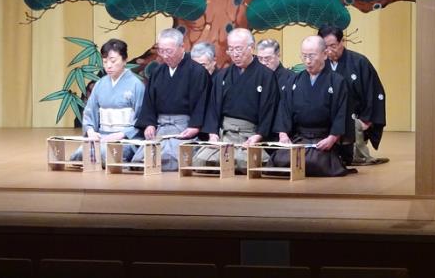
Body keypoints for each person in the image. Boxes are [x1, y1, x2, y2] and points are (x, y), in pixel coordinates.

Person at [196, 28, 280, 173]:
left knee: (246, 163)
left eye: (239, 49)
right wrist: (213, 134)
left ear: (251, 47)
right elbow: (213, 108)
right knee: (200, 161)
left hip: (249, 135)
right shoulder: (222, 76)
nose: (235, 54)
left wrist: (258, 136)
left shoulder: (266, 76)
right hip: (225, 134)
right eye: (231, 49)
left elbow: (269, 109)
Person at [268, 36, 351, 177]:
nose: (307, 61)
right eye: (304, 56)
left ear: (324, 54)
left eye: (312, 56)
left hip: (323, 139)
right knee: (280, 160)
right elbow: (284, 108)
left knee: (315, 162)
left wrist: (332, 138)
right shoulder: (294, 80)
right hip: (299, 138)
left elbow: (342, 113)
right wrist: (283, 135)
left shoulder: (337, 82)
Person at [132, 28, 211, 171]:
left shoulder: (198, 72)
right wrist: (149, 124)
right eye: (161, 51)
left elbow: (203, 103)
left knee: (170, 159)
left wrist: (195, 126)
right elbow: (149, 102)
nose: (165, 56)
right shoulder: (157, 72)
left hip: (184, 128)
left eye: (169, 51)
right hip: (161, 128)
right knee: (141, 160)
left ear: (182, 47)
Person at [318, 25, 388, 166]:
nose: (329, 50)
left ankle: (359, 155)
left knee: (354, 124)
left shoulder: (359, 62)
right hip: (327, 116)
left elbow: (373, 92)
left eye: (333, 45)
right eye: (325, 47)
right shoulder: (320, 64)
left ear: (342, 42)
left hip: (355, 116)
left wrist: (366, 120)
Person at [71, 39, 145, 165]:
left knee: (106, 154)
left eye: (113, 61)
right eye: (105, 62)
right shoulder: (100, 84)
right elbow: (89, 113)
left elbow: (141, 119)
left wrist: (122, 134)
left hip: (125, 139)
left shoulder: (136, 85)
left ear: (125, 60)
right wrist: (90, 131)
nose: (108, 66)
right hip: (101, 136)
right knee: (79, 155)